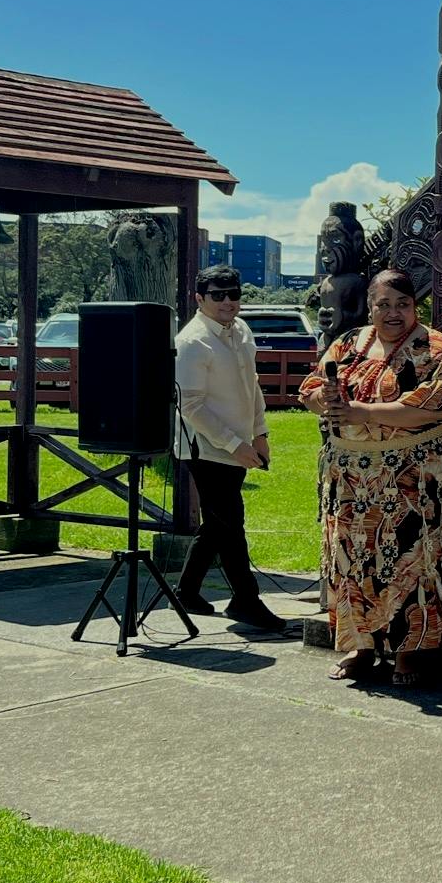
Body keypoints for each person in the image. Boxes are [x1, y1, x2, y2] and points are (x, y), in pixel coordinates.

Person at [299, 269, 442, 686]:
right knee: (355, 561)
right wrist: (325, 399)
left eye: (403, 305)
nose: (393, 313)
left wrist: (364, 413)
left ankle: (410, 650)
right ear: (370, 307)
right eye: (383, 305)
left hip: (412, 481)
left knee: (408, 560)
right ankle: (361, 646)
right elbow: (311, 390)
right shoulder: (347, 344)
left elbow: (435, 407)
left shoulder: (436, 348)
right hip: (352, 483)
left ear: (416, 307)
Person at [172, 265, 293, 634]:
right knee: (231, 524)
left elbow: (252, 386)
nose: (227, 301)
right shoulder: (192, 341)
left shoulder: (240, 329)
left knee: (217, 523)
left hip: (239, 444)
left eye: (233, 294)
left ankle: (186, 591)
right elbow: (190, 407)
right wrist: (235, 444)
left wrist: (260, 433)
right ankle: (245, 600)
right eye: (217, 295)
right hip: (205, 449)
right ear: (199, 298)